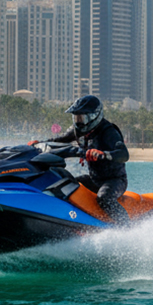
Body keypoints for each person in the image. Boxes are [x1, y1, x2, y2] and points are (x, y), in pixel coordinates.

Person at [32, 95, 130, 224]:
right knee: (65, 185)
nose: (78, 121)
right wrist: (38, 144)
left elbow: (124, 154)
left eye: (82, 117)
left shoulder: (108, 131)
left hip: (115, 180)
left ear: (94, 116)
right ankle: (61, 217)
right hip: (94, 179)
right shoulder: (77, 130)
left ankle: (127, 227)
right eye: (76, 117)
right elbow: (58, 140)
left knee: (104, 197)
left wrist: (103, 154)